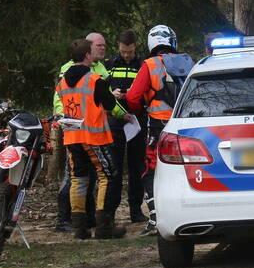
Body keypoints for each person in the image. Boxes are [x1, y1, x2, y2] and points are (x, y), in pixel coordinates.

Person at [51, 32, 126, 233]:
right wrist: (119, 107)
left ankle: (79, 228)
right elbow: (109, 104)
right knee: (107, 176)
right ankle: (103, 226)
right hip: (93, 137)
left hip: (72, 138)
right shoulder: (94, 79)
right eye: (91, 52)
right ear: (86, 55)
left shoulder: (62, 82)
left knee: (78, 179)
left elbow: (62, 104)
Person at [125, 25, 193, 235]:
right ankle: (189, 213)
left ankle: (155, 219)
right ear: (173, 41)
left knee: (151, 170)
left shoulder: (150, 64)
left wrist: (141, 109)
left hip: (159, 125)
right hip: (187, 125)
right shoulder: (188, 62)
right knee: (187, 168)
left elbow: (132, 97)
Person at [104, 29, 148, 224]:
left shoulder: (143, 65)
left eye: (129, 51)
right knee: (114, 167)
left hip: (137, 120)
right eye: (123, 51)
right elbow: (100, 89)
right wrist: (111, 94)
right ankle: (110, 212)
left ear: (135, 47)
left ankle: (135, 210)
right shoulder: (110, 65)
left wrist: (131, 93)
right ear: (118, 47)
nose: (127, 55)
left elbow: (149, 90)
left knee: (137, 166)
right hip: (115, 120)